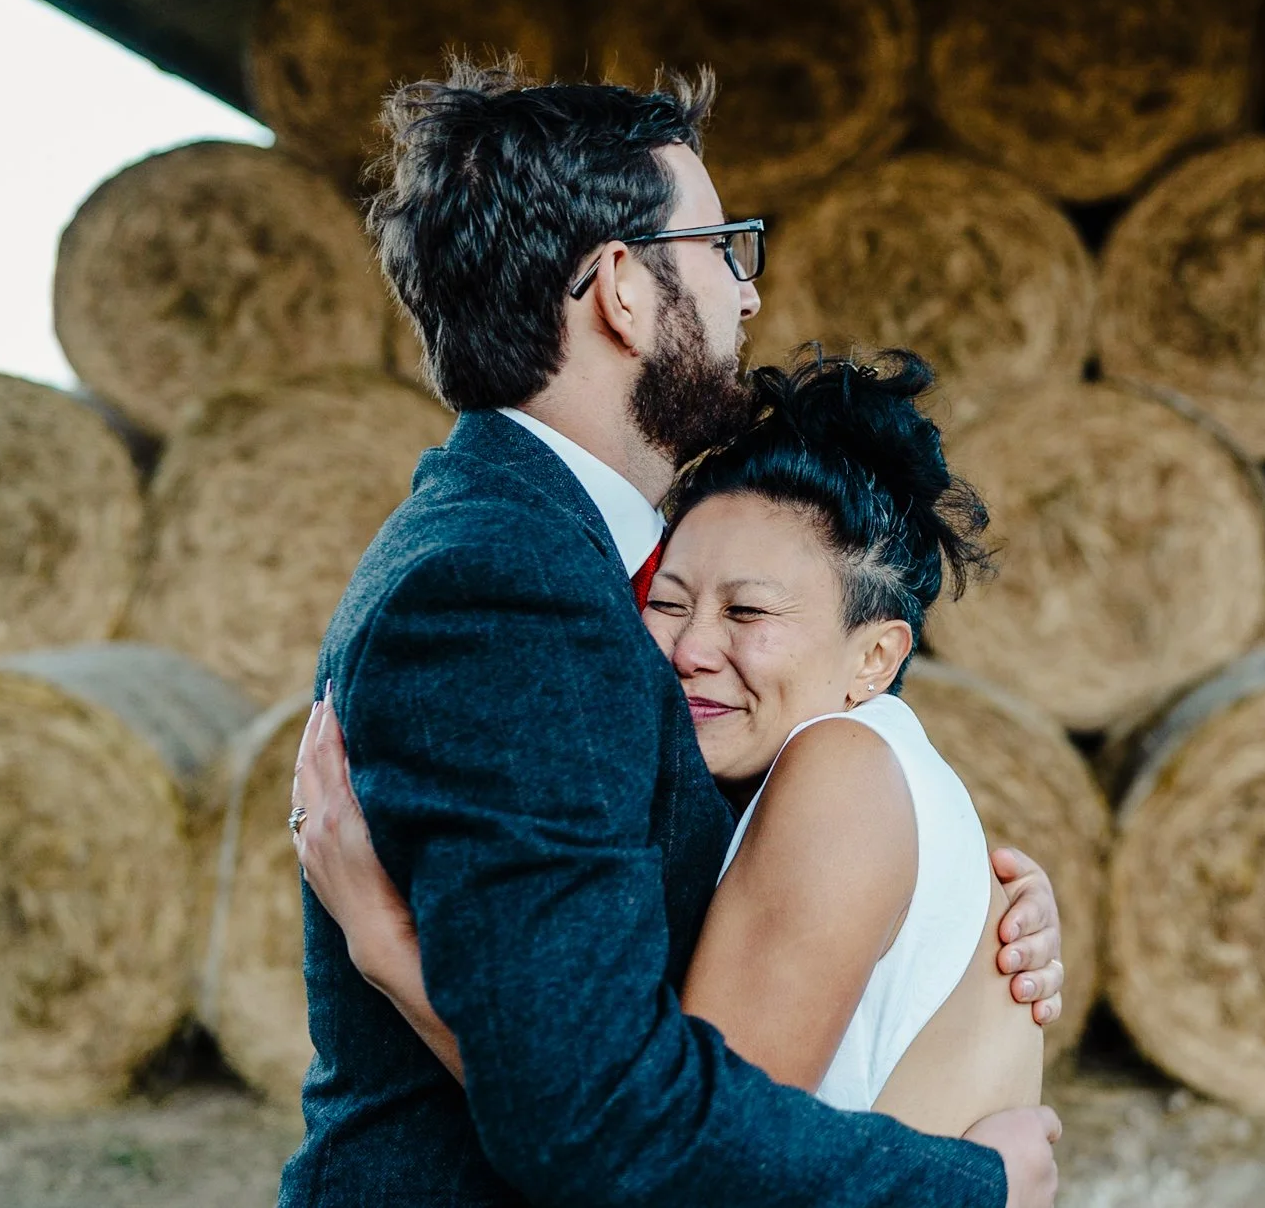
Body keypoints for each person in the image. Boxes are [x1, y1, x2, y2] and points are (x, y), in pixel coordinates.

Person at [274, 61, 1064, 1208]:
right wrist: (968, 1184)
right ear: (621, 290)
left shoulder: (533, 555)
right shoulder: (505, 587)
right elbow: (597, 1118)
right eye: (721, 249)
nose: (747, 296)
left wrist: (939, 919)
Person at [294, 350, 1046, 1139]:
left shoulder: (843, 776)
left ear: (876, 658)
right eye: (668, 600)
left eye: (748, 613)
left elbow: (679, 1151)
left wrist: (387, 944)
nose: (690, 647)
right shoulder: (851, 773)